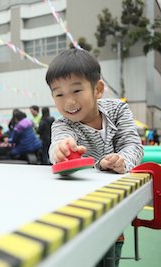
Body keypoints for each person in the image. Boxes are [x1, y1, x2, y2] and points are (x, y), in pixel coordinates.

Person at [46, 49, 143, 267]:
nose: (69, 102)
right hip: (73, 212)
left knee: (109, 256)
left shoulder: (118, 110)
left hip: (112, 207)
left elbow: (133, 144)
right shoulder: (62, 124)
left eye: (77, 90)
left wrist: (122, 160)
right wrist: (60, 150)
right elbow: (57, 146)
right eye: (59, 94)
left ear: (98, 89)